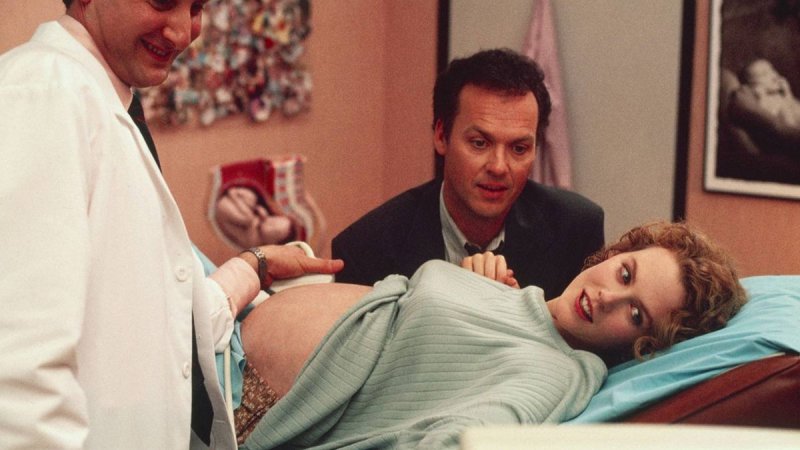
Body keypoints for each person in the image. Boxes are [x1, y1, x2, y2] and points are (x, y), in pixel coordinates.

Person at [0, 1, 341, 449]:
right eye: (162, 1)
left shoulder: (106, 101)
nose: (183, 33)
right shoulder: (43, 92)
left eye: (197, 7)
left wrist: (252, 267)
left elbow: (157, 322)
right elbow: (19, 377)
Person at [226, 221, 746, 448]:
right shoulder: (517, 295)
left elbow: (467, 437)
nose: (609, 296)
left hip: (242, 404)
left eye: (635, 315)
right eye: (625, 273)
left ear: (642, 346)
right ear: (616, 254)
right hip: (233, 328)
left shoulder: (564, 372)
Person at [332, 48, 604, 299]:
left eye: (519, 148)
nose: (498, 167)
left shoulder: (575, 229)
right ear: (441, 136)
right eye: (480, 143)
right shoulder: (366, 249)